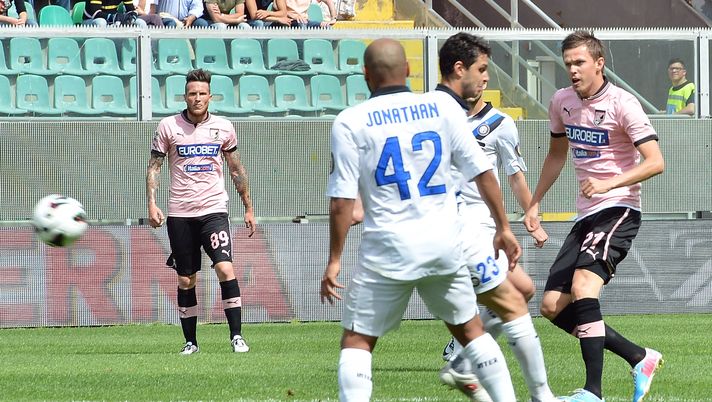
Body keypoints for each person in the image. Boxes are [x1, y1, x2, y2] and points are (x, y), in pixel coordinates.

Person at [321, 38, 521, 401]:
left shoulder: (350, 121)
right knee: (471, 331)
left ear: (365, 75)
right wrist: (504, 227)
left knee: (358, 339)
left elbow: (342, 201)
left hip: (388, 247)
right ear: (410, 70)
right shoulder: (439, 107)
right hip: (444, 242)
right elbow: (482, 172)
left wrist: (335, 259)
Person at [523, 30, 665, 402]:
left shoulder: (623, 103)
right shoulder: (561, 101)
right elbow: (557, 155)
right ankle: (639, 357)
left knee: (585, 288)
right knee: (552, 306)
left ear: (599, 63)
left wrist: (608, 185)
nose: (572, 69)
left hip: (619, 208)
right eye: (567, 63)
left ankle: (592, 392)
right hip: (586, 214)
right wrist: (534, 202)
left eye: (580, 62)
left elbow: (655, 162)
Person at [435, 32, 556, 402]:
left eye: (488, 72)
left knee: (522, 291)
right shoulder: (442, 113)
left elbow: (514, 173)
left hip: (484, 221)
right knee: (518, 294)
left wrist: (530, 214)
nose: (486, 78)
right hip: (467, 223)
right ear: (461, 70)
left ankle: (465, 356)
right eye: (482, 70)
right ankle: (469, 359)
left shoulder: (501, 124)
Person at [146, 68, 256, 355]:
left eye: (202, 94)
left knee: (225, 267)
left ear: (210, 96)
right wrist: (152, 203)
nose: (197, 98)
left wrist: (248, 207)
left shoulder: (224, 127)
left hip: (213, 210)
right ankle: (191, 342)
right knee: (186, 278)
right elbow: (155, 166)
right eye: (192, 93)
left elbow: (236, 169)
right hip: (180, 213)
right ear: (185, 96)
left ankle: (236, 336)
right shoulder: (168, 127)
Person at [83, 0, 148, 27]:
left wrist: (132, 16)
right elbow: (95, 13)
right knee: (101, 22)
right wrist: (112, 17)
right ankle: (101, 50)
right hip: (91, 20)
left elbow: (130, 9)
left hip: (112, 19)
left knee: (141, 23)